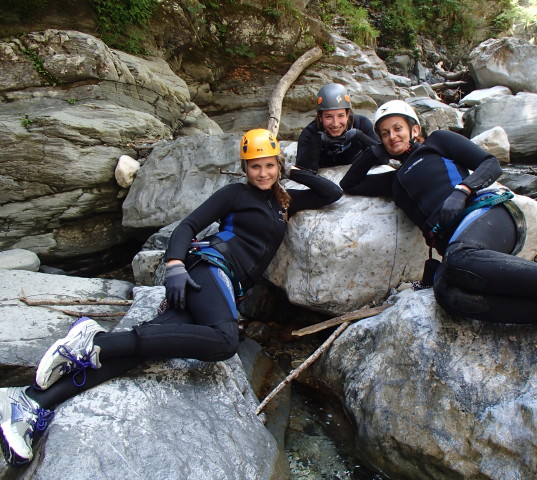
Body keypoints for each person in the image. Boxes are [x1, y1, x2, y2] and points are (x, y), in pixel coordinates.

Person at [0, 128, 343, 467]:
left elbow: (332, 193)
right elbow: (187, 227)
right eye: (255, 166)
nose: (263, 173)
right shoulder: (235, 194)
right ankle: (96, 343)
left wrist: (292, 169)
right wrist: (176, 266)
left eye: (269, 165)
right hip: (207, 269)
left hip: (223, 287)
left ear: (277, 165)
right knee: (225, 341)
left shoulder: (285, 200)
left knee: (145, 347)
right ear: (244, 168)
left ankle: (29, 401)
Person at [340, 99, 537, 362]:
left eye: (398, 128)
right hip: (461, 247)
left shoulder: (439, 143)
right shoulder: (394, 181)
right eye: (385, 133)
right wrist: (374, 151)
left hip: (489, 214)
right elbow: (348, 184)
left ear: (414, 129)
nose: (393, 136)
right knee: (448, 295)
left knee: (458, 261)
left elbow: (490, 163)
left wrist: (461, 190)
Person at [295, 83, 379, 172]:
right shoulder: (310, 133)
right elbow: (302, 171)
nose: (335, 124)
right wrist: (317, 143)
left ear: (347, 114)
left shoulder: (361, 124)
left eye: (340, 116)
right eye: (328, 117)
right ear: (320, 117)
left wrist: (360, 136)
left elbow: (383, 158)